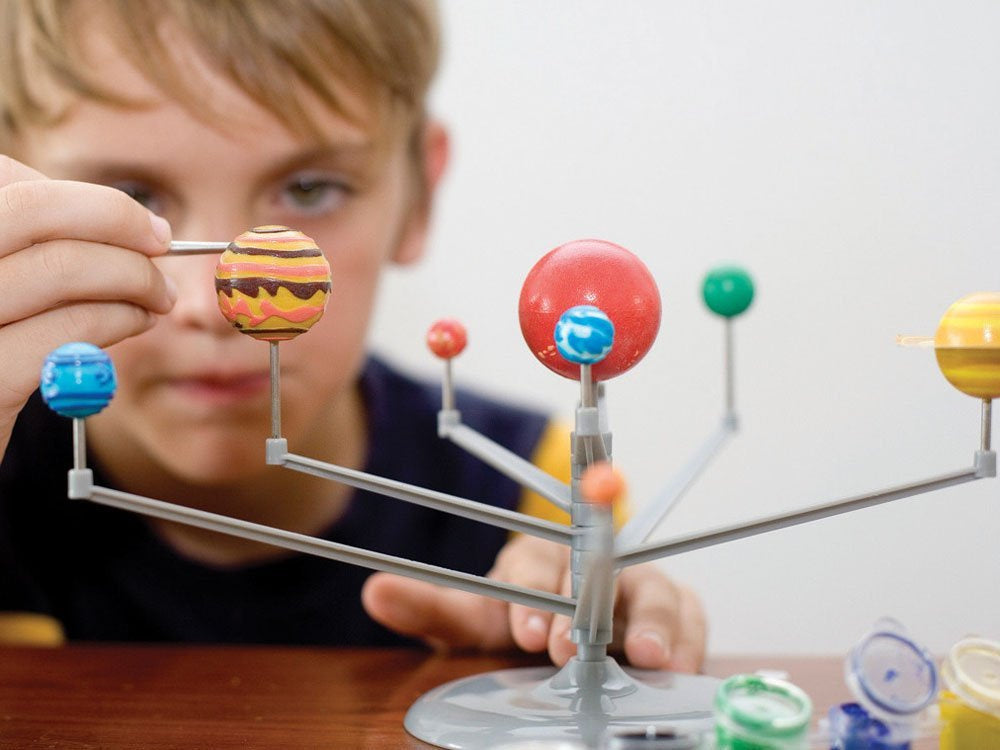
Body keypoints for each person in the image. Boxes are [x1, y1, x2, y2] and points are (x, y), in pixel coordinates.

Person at [0, 0, 706, 672]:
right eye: (134, 198)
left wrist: (567, 666)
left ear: (418, 195)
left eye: (308, 190)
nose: (218, 305)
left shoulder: (537, 490)